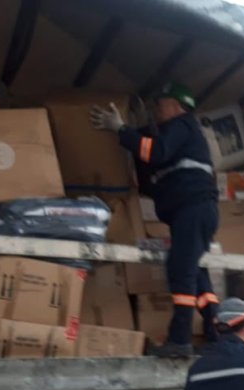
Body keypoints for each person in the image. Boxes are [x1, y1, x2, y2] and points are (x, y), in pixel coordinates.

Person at [89, 83, 219, 358]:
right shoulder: (181, 136)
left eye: (160, 104)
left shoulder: (182, 126)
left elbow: (154, 152)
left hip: (193, 210)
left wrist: (121, 130)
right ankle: (214, 329)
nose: (157, 110)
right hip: (195, 211)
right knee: (196, 272)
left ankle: (180, 340)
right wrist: (138, 133)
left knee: (180, 271)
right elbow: (153, 168)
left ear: (177, 105)